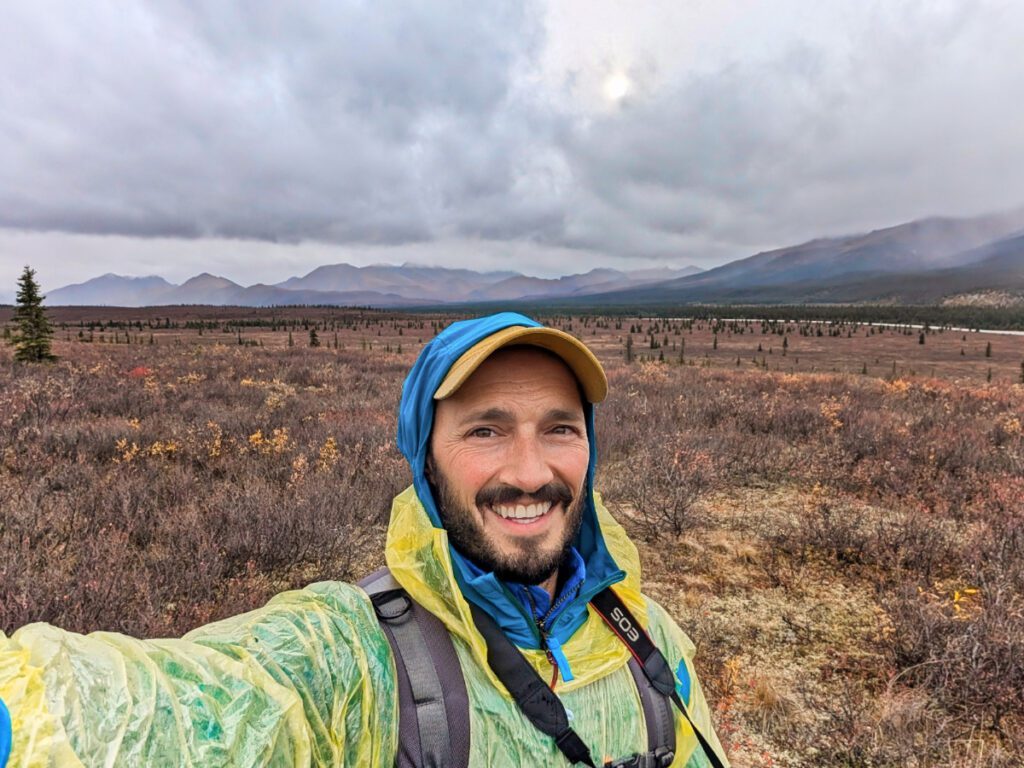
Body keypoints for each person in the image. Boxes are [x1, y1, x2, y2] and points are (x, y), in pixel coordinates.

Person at [0, 312, 728, 767]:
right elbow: (181, 709)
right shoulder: (355, 655)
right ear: (425, 456)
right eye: (486, 430)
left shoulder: (647, 641)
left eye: (559, 429)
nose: (531, 472)